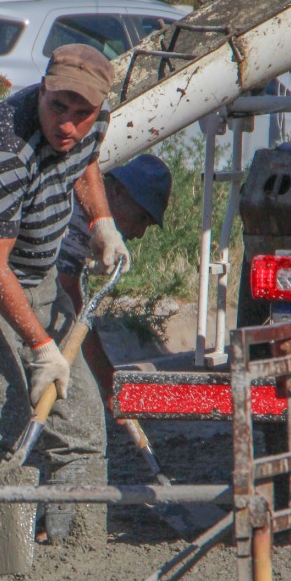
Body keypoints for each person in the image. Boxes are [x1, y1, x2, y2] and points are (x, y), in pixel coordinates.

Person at [0, 43, 128, 548]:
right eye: (59, 108)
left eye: (83, 114)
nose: (69, 126)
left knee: (78, 423)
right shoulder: (5, 146)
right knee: (0, 424)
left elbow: (86, 160)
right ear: (43, 89)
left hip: (35, 274)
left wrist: (102, 223)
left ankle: (74, 550)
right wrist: (40, 348)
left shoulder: (90, 124)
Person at [56, 153, 172, 408]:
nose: (140, 233)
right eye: (141, 218)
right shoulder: (77, 215)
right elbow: (71, 305)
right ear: (117, 191)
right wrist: (109, 385)